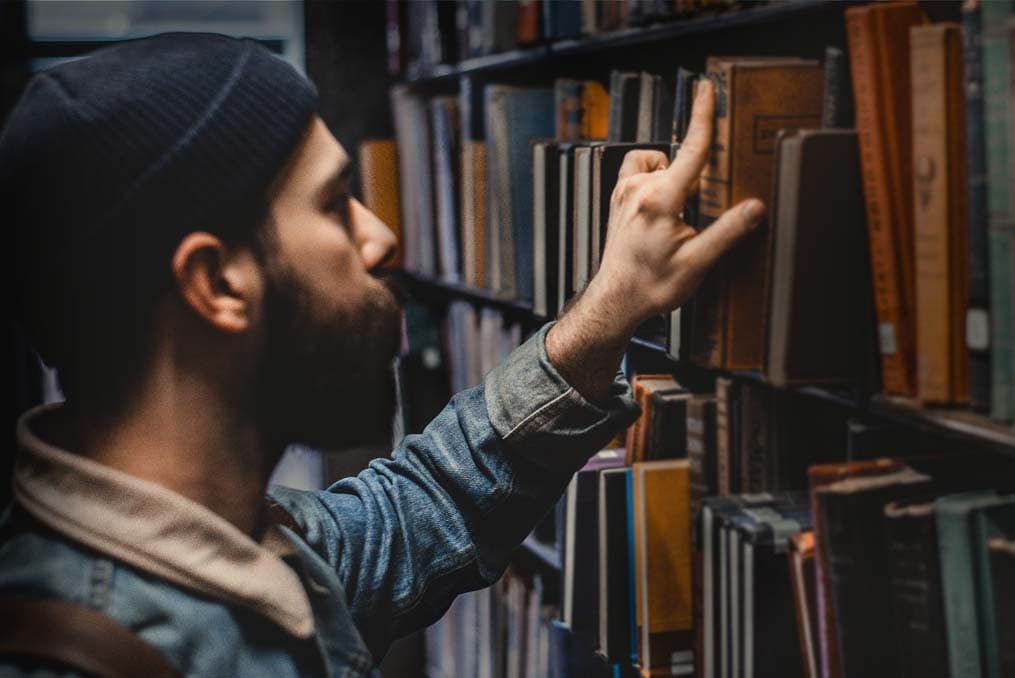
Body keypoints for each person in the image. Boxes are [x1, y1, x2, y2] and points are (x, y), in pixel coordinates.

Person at [0, 33, 763, 676]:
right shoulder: (83, 653)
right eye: (334, 206)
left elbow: (424, 506)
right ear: (215, 284)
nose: (381, 237)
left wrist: (610, 304)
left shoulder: (248, 542)